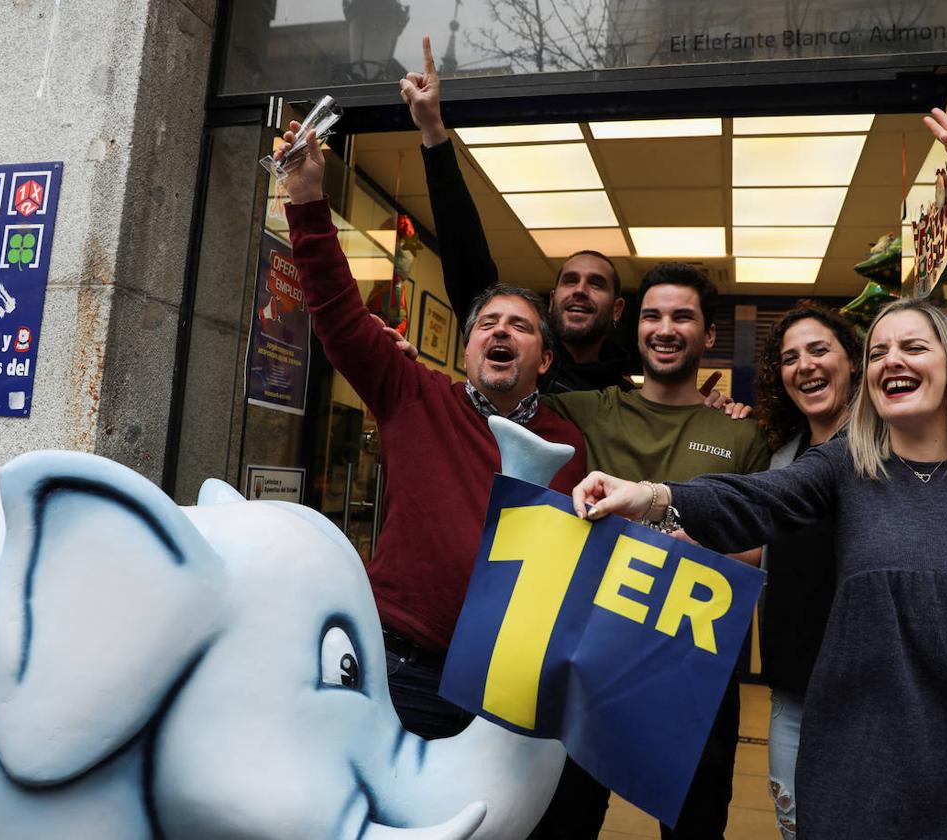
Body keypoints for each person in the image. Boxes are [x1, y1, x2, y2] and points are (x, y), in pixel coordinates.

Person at [572, 296, 947, 840]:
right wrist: (649, 495)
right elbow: (753, 500)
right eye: (878, 352)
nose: (892, 361)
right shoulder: (847, 464)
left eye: (914, 347)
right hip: (865, 767)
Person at [753, 106, 947, 839]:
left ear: (855, 360)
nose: (806, 365)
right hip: (796, 692)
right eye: (788, 358)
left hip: (895, 696)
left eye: (825, 350)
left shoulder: (911, 438)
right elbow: (744, 518)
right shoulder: (781, 460)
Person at [276, 122, 588, 739]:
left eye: (521, 327)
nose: (501, 332)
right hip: (402, 670)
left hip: (507, 688)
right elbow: (338, 312)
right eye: (488, 324)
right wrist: (307, 199)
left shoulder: (569, 449)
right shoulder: (413, 396)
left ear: (545, 361)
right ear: (467, 348)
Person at [537, 261, 770, 840]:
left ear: (708, 335)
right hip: (590, 659)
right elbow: (499, 400)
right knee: (567, 820)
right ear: (635, 329)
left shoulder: (742, 435)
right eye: (652, 316)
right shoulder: (589, 409)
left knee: (695, 825)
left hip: (695, 670)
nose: (665, 328)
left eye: (682, 317)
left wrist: (699, 546)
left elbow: (758, 556)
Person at [400, 36, 632, 394]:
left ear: (617, 310)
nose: (580, 291)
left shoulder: (628, 402)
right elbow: (467, 255)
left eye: (596, 284)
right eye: (570, 281)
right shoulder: (520, 371)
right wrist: (433, 132)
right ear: (552, 301)